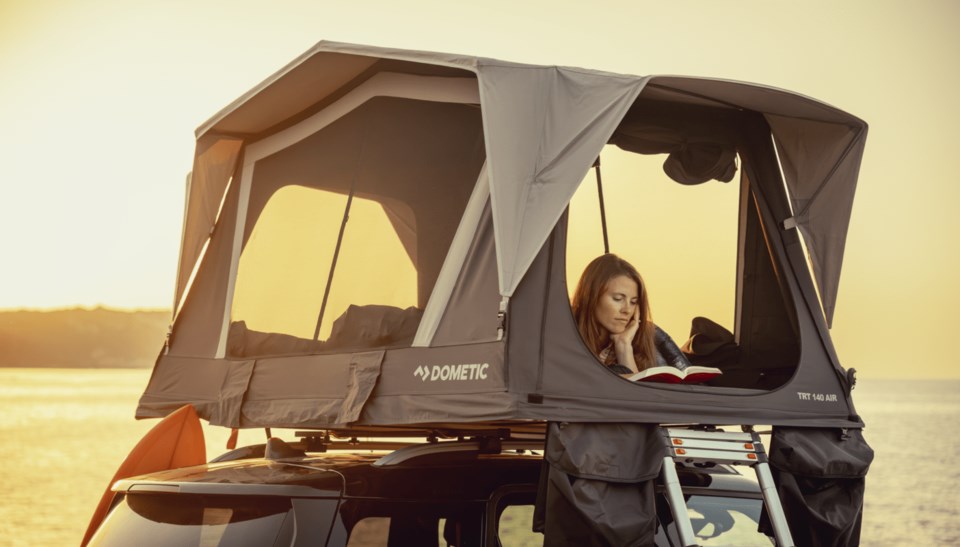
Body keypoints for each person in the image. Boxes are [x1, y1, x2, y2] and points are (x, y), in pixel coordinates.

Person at [571, 253, 691, 377]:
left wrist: (623, 345)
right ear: (591, 296)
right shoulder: (563, 336)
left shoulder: (650, 336)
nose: (627, 310)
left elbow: (637, 396)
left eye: (633, 302)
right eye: (618, 299)